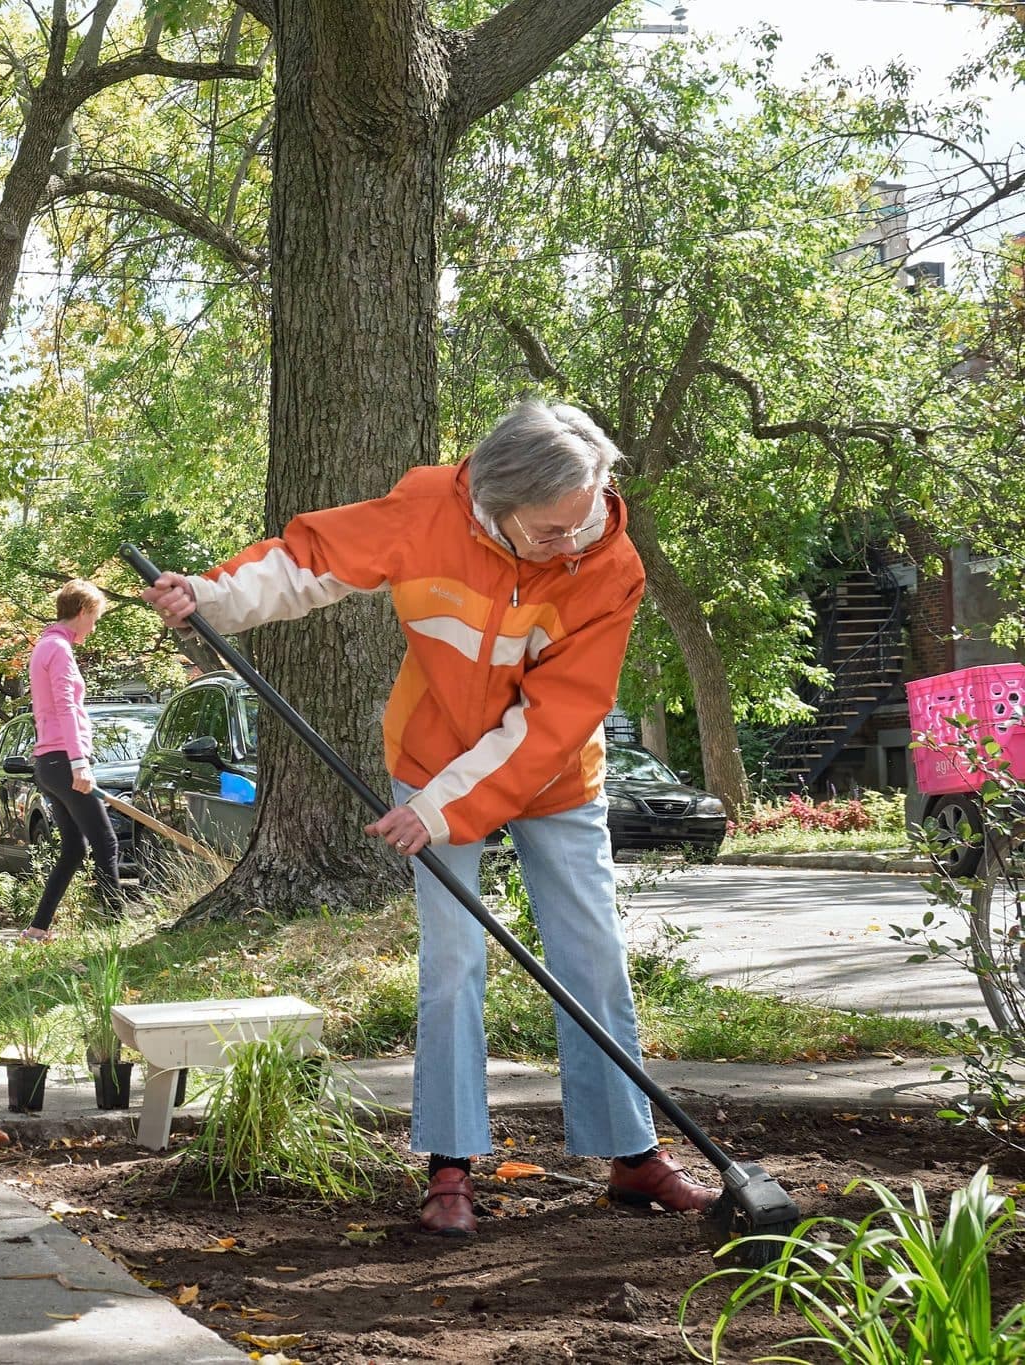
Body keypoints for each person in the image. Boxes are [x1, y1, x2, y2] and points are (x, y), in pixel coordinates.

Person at [141, 399, 716, 1237]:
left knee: (592, 958)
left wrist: (447, 811)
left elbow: (555, 716)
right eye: (552, 530)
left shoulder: (610, 561)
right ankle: (450, 1161)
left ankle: (631, 1151)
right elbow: (312, 563)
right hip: (432, 761)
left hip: (553, 775)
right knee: (453, 963)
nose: (576, 539)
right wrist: (211, 596)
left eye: (587, 515)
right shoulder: (430, 509)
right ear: (496, 505)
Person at [23, 579, 123, 942]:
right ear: (81, 612)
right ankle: (115, 927)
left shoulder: (45, 646)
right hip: (64, 760)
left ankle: (38, 928)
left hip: (49, 763)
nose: (93, 627)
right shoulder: (59, 650)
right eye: (94, 618)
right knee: (106, 842)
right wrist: (80, 762)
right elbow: (65, 706)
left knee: (74, 848)